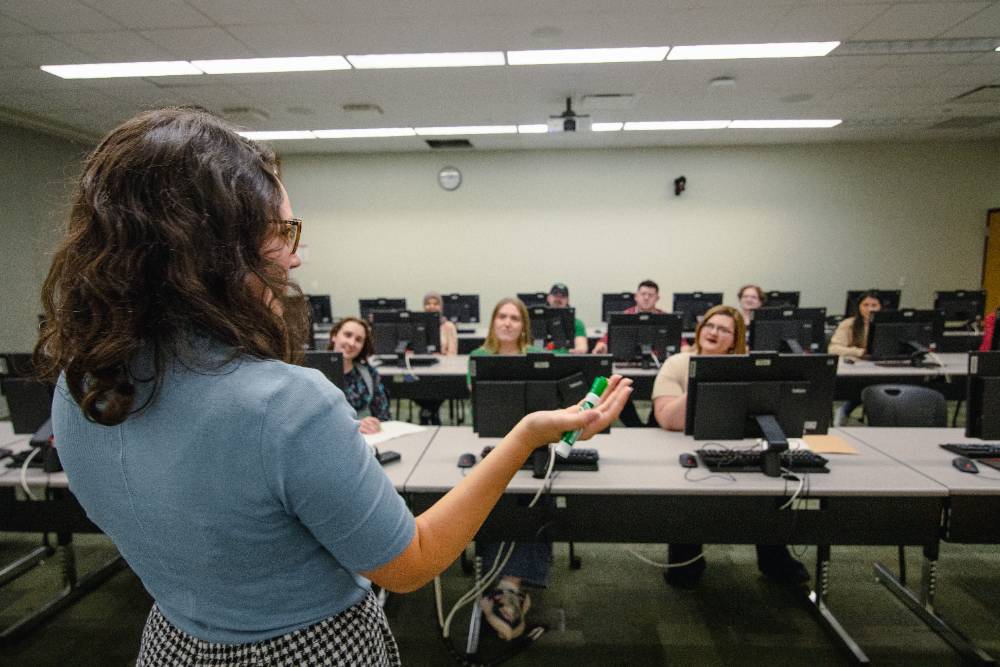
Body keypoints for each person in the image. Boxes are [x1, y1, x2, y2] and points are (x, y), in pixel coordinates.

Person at [35, 107, 633, 665]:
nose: (296, 258)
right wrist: (527, 434)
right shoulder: (285, 404)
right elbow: (411, 564)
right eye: (281, 232)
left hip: (173, 642)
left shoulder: (81, 386)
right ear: (210, 250)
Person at [652, 304, 809, 587]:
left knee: (767, 484)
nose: (713, 332)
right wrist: (705, 377)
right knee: (689, 490)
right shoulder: (677, 363)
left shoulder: (748, 367)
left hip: (738, 442)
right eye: (710, 325)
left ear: (735, 340)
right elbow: (667, 419)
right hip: (682, 446)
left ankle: (773, 557)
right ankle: (686, 560)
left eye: (724, 330)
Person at [468, 298, 551, 641]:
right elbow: (479, 407)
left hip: (532, 446)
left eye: (514, 318)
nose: (507, 323)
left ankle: (507, 586)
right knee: (491, 494)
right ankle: (502, 584)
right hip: (490, 444)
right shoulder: (478, 359)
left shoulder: (539, 359)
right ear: (493, 322)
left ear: (523, 325)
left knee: (535, 494)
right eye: (501, 316)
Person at [327, 316, 391, 434]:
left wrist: (375, 424)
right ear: (334, 336)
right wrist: (353, 426)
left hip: (367, 441)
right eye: (347, 335)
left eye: (359, 340)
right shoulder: (315, 375)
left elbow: (384, 416)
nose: (352, 343)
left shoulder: (369, 374)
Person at [828, 291, 883, 425]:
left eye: (874, 305)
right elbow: (833, 349)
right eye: (866, 305)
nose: (870, 309)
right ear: (859, 307)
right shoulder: (849, 324)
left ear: (881, 307)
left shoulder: (888, 325)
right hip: (857, 371)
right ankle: (845, 410)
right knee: (863, 387)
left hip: (882, 368)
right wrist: (858, 352)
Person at [415, 291, 458, 425]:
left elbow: (452, 353)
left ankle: (428, 410)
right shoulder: (417, 325)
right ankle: (431, 411)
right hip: (420, 369)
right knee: (413, 385)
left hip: (442, 370)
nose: (431, 306)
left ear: (441, 307)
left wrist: (440, 357)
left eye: (435, 303)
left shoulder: (448, 326)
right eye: (428, 303)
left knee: (439, 386)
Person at [591, 279, 664, 354]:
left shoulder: (664, 318)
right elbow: (606, 339)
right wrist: (601, 346)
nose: (646, 298)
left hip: (658, 361)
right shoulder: (623, 316)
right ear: (636, 297)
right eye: (643, 294)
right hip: (625, 361)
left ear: (657, 298)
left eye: (650, 295)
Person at [546, 283, 588, 353]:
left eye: (562, 296)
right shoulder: (537, 321)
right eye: (555, 295)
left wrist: (579, 351)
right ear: (548, 298)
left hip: (566, 360)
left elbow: (581, 346)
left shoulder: (577, 323)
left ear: (567, 300)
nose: (558, 299)